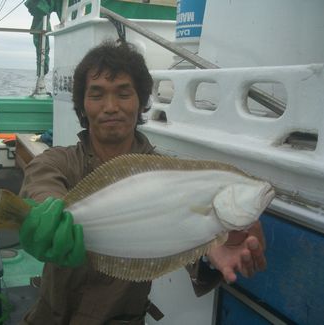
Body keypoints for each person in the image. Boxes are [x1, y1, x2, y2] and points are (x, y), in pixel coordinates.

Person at [18, 40, 267, 324]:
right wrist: (44, 213)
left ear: (140, 102)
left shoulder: (166, 178)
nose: (110, 107)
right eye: (97, 94)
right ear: (83, 106)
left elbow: (182, 229)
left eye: (123, 94)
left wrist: (213, 247)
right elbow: (40, 182)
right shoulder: (59, 161)